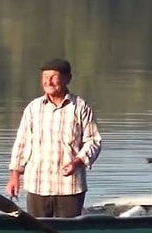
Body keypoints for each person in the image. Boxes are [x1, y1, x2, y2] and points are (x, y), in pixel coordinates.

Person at [6, 58, 102, 217]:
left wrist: (77, 162)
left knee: (69, 232)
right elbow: (21, 144)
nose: (48, 81)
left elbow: (94, 141)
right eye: (44, 77)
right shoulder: (33, 108)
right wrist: (14, 177)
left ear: (67, 79)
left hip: (69, 187)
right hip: (37, 185)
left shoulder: (80, 107)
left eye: (53, 77)